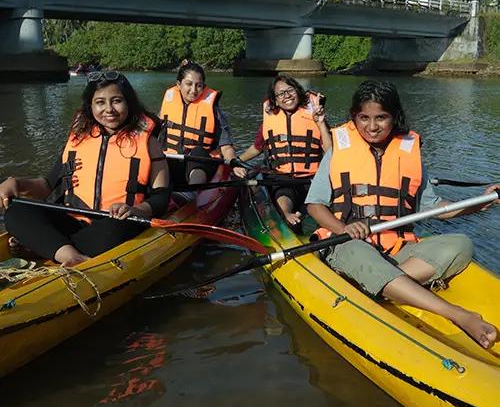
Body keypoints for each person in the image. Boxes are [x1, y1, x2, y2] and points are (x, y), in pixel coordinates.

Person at [306, 80, 498, 349]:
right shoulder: (339, 148)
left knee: (460, 244)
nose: (372, 127)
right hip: (346, 244)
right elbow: (315, 205)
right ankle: (458, 315)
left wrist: (482, 202)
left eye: (381, 118)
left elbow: (437, 209)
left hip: (397, 250)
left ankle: (382, 284)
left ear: (394, 117)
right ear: (354, 117)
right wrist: (342, 229)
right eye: (364, 118)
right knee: (359, 252)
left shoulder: (410, 151)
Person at [0, 71, 170, 267]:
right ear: (90, 105)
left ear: (129, 103)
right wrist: (17, 183)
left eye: (116, 101)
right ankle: (69, 255)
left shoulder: (149, 143)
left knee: (115, 229)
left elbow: (161, 197)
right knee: (16, 211)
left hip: (115, 225)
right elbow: (47, 185)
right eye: (100, 102)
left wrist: (135, 210)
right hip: (73, 222)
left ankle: (46, 246)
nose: (109, 109)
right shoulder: (78, 139)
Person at [239, 74, 332, 227]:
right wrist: (237, 161)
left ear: (298, 91)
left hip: (313, 180)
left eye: (290, 90)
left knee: (314, 203)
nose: (287, 96)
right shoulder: (270, 120)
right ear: (275, 100)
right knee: (283, 198)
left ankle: (305, 215)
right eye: (281, 94)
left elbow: (330, 152)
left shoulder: (315, 115)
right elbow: (257, 147)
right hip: (282, 179)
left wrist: (321, 123)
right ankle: (286, 214)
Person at [158, 60, 246, 204]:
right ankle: (155, 196)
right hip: (172, 162)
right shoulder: (169, 102)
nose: (194, 90)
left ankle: (191, 193)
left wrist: (234, 164)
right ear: (178, 85)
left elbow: (226, 146)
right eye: (189, 84)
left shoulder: (213, 110)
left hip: (201, 166)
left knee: (198, 152)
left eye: (199, 85)